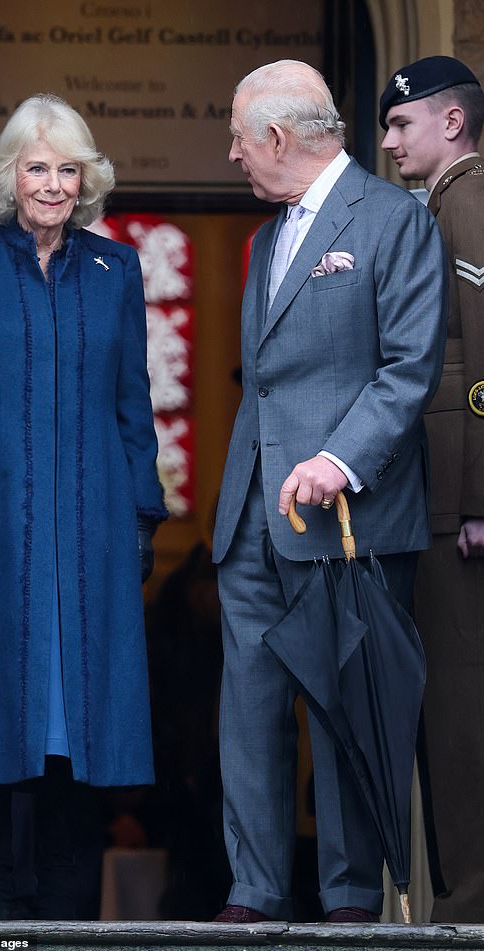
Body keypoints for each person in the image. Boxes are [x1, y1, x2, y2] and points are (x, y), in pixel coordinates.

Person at [0, 93, 168, 920]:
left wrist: (142, 519)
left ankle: (70, 922)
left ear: (87, 180)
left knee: (78, 745)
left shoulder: (116, 272)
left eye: (67, 169)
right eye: (36, 167)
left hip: (89, 547)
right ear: (9, 176)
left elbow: (134, 410)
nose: (52, 184)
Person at [211, 60, 447, 924]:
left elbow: (410, 367)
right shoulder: (269, 236)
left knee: (346, 711)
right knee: (249, 711)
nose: (232, 154)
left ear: (277, 137)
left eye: (239, 138)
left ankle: (350, 902)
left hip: (350, 517)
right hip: (252, 515)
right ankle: (255, 890)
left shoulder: (393, 220)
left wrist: (339, 460)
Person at [380, 55, 484, 923]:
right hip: (445, 499)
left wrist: (478, 498)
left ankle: (469, 908)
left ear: (451, 123)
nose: (388, 141)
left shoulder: (469, 203)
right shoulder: (444, 204)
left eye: (400, 124)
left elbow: (482, 362)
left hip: (460, 507)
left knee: (458, 718)